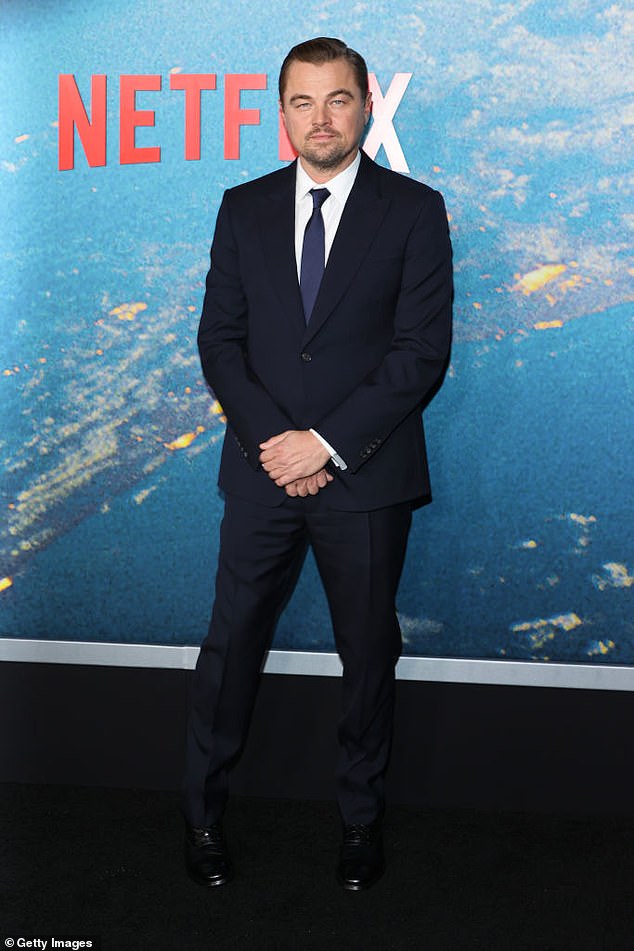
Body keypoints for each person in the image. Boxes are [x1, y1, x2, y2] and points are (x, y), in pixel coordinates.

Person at [182, 36, 453, 891]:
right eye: (303, 102)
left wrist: (326, 444)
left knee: (367, 655)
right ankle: (201, 817)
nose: (321, 118)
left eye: (337, 99)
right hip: (261, 472)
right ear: (282, 113)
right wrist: (280, 445)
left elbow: (420, 353)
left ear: (367, 105)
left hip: (366, 479)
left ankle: (361, 822)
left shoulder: (414, 211)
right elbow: (220, 342)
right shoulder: (242, 208)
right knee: (230, 648)